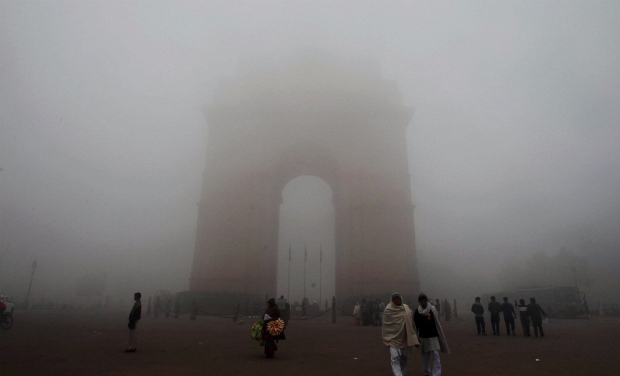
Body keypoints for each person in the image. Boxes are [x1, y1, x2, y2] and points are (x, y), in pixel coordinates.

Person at [382, 293, 420, 376]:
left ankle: (402, 373)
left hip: (405, 337)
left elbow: (411, 323)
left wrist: (415, 337)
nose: (396, 300)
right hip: (393, 338)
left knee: (404, 357)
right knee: (394, 358)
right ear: (392, 300)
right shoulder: (388, 310)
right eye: (394, 299)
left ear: (401, 299)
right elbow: (386, 325)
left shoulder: (406, 309)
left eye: (398, 299)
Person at [414, 293, 449, 376]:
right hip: (423, 337)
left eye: (424, 301)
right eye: (421, 301)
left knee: (436, 356)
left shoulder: (432, 310)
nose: (423, 302)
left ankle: (436, 374)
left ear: (426, 301)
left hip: (433, 336)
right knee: (425, 358)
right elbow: (415, 325)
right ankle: (427, 372)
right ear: (419, 302)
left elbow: (437, 323)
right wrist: (415, 338)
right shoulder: (417, 312)